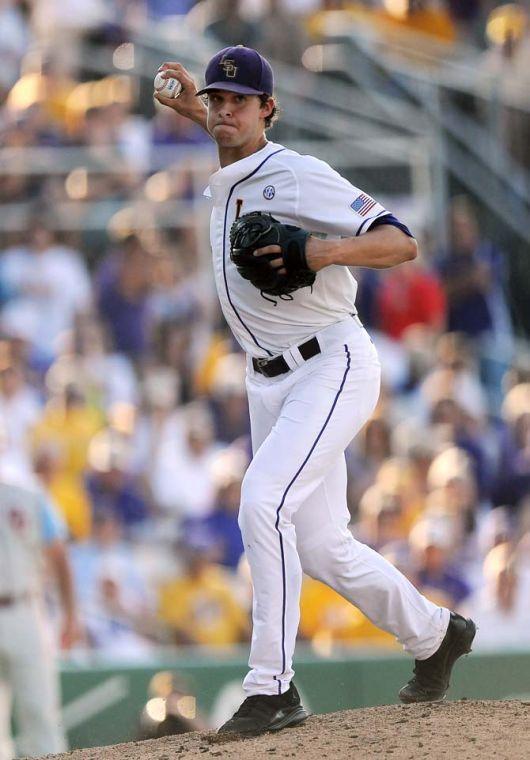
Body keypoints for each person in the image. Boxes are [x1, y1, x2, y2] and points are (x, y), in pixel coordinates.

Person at [154, 45, 477, 736]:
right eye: (218, 99)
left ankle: (273, 687)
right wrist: (194, 107)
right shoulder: (233, 166)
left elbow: (401, 242)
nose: (226, 109)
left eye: (241, 100)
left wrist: (318, 250)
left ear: (270, 107)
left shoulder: (298, 175)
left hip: (329, 362)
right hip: (266, 379)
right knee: (322, 544)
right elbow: (231, 146)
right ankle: (434, 635)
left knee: (262, 501)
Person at [0, 454, 80, 759]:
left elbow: (59, 554)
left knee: (39, 713)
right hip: (23, 608)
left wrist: (71, 615)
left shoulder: (27, 493)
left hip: (24, 607)